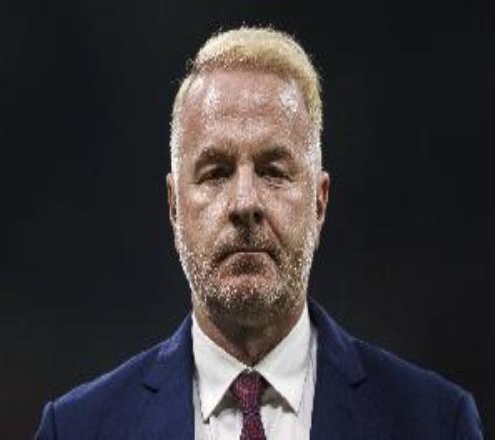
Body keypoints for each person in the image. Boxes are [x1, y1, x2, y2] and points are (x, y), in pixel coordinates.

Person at [35, 26, 483, 439]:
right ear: (174, 207)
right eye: (216, 172)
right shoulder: (75, 429)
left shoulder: (437, 422)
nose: (244, 202)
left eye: (273, 171)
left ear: (319, 202)